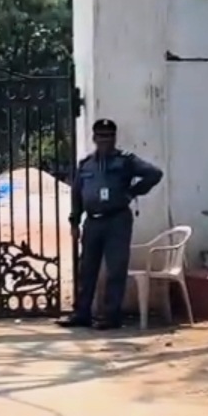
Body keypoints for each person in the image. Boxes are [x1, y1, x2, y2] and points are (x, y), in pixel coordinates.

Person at [64, 118, 164, 330]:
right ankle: (82, 313)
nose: (105, 141)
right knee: (87, 269)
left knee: (115, 269)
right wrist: (74, 221)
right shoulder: (86, 165)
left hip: (117, 220)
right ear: (94, 138)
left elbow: (154, 174)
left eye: (109, 136)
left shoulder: (125, 161)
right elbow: (77, 195)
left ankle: (111, 316)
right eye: (101, 136)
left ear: (115, 138)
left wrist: (132, 192)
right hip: (93, 221)